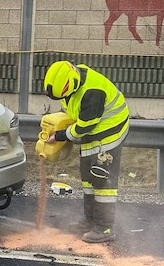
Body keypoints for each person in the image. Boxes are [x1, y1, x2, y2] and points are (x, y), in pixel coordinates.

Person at [42, 61, 129, 243]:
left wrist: (60, 135)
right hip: (92, 133)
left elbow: (84, 126)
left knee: (102, 181)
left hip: (109, 133)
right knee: (87, 179)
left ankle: (105, 227)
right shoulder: (70, 81)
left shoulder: (92, 92)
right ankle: (90, 221)